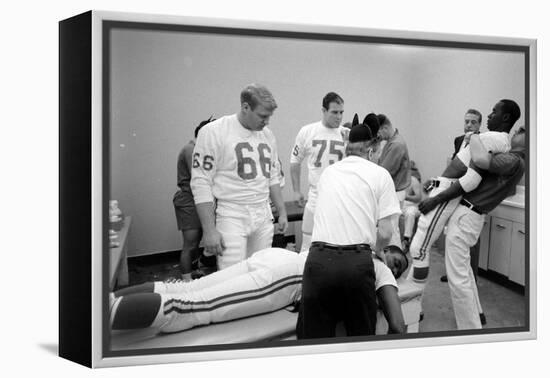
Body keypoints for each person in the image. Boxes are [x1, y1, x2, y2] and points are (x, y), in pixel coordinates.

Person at [110, 245, 409, 334]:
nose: (394, 269)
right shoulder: (378, 269)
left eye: (399, 270)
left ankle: (106, 301)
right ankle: (94, 319)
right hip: (290, 275)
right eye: (396, 261)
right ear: (384, 252)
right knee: (190, 308)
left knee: (189, 289)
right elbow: (398, 323)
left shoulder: (352, 237)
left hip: (277, 257)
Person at [298, 122, 403, 339]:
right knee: (360, 342)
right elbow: (385, 233)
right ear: (371, 150)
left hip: (317, 262)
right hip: (355, 264)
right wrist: (378, 251)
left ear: (348, 148)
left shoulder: (328, 173)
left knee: (311, 345)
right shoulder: (380, 174)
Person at [418, 124, 525, 330]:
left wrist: (475, 137)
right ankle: (478, 314)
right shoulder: (517, 162)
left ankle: (470, 330)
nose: (515, 133)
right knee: (464, 271)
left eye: (521, 131)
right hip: (472, 216)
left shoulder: (513, 159)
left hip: (468, 214)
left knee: (458, 278)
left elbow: (480, 160)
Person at [409, 100, 520, 282]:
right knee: (420, 247)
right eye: (466, 121)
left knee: (419, 248)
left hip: (451, 194)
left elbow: (471, 179)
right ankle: (413, 301)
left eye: (494, 111)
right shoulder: (475, 139)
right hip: (444, 187)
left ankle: (413, 301)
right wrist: (432, 185)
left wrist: (435, 200)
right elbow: (453, 169)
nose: (490, 115)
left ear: (506, 117)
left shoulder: (493, 139)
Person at [190, 84, 288, 270]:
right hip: (232, 213)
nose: (267, 122)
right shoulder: (214, 132)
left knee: (260, 272)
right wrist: (209, 230)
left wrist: (282, 211)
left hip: (262, 211)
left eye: (269, 117)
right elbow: (201, 182)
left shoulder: (267, 135)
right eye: (262, 116)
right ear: (245, 107)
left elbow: (272, 176)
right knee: (231, 276)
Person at [290, 92, 345, 253]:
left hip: (339, 199)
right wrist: (296, 190)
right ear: (323, 110)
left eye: (341, 112)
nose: (339, 117)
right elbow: (295, 161)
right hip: (315, 196)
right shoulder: (308, 131)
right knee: (307, 245)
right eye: (334, 112)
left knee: (336, 245)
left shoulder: (346, 134)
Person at [441, 108, 482, 282]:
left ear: (480, 124)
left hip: (473, 194)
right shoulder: (458, 140)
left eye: (473, 122)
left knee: (470, 239)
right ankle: (452, 273)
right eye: (467, 121)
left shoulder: (483, 142)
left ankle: (472, 276)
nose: (469, 125)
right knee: (452, 234)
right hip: (456, 190)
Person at [173, 116, 214, 279]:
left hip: (199, 199)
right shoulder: (191, 150)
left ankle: (194, 271)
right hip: (189, 200)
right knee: (190, 244)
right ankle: (186, 280)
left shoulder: (201, 150)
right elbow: (199, 178)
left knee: (197, 242)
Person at [376, 114, 411, 249]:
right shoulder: (391, 142)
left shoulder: (396, 144)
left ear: (385, 128)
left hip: (395, 192)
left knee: (391, 230)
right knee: (391, 229)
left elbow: (384, 171)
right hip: (394, 191)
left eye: (378, 131)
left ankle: (395, 263)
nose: (378, 135)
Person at [401, 160, 423, 252]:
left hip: (411, 206)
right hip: (399, 204)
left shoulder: (413, 180)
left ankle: (406, 240)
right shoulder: (397, 180)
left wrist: (406, 197)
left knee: (410, 213)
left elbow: (418, 197)